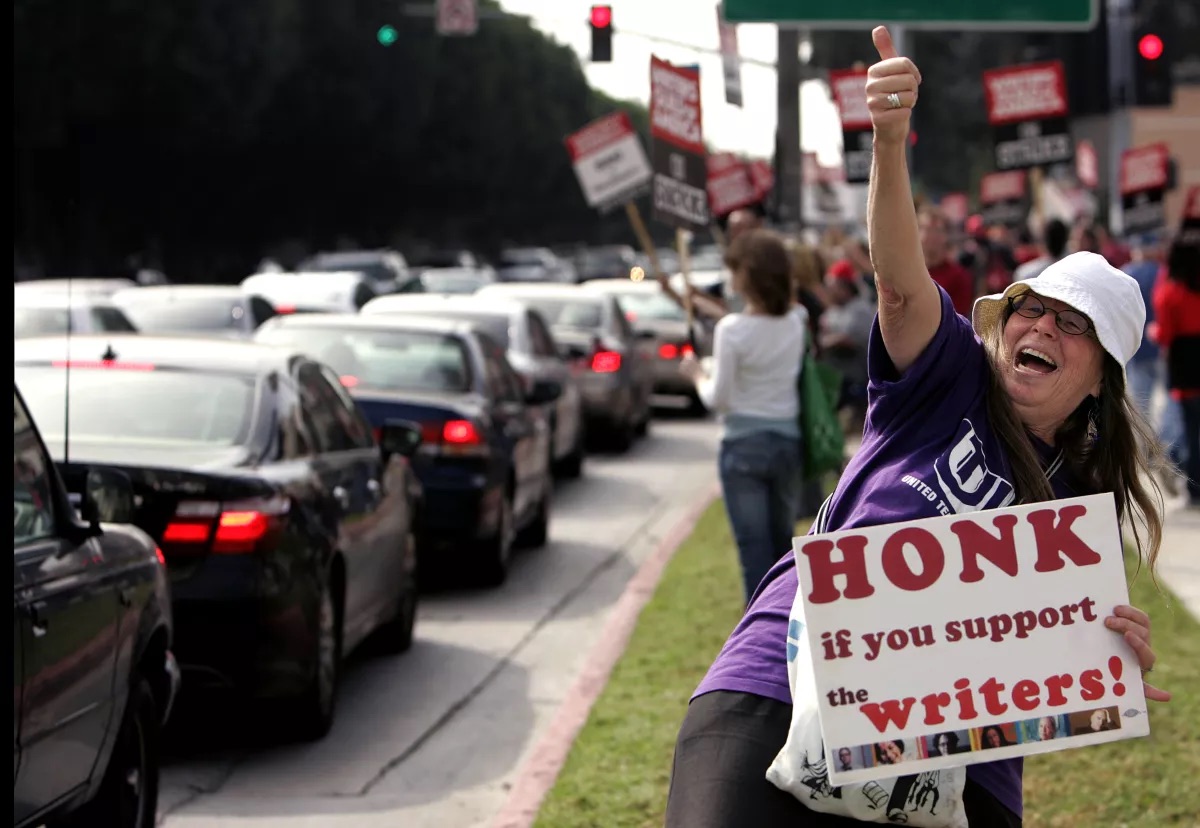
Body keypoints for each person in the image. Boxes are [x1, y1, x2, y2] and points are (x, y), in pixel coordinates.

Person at [663, 26, 1171, 828]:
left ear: (1101, 379)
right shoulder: (953, 374)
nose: (1038, 324)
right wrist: (890, 144)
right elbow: (900, 288)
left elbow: (1043, 656)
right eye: (1028, 307)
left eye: (1070, 324)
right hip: (783, 684)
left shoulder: (1080, 510)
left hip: (958, 763)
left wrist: (1102, 656)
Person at [679, 228, 807, 604]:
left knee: (754, 555)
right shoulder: (797, 320)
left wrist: (697, 374)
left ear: (746, 277)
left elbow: (718, 398)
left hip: (743, 446)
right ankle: (787, 626)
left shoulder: (730, 331)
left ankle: (759, 638)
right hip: (787, 442)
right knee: (783, 550)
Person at [1152, 237, 1200, 508]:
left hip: (1186, 372)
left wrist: (1154, 332)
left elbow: (1165, 335)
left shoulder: (1170, 293)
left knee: (1191, 433)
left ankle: (1195, 488)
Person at [918, 204, 975, 317]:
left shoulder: (959, 276)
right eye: (925, 229)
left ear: (946, 235)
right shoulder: (907, 274)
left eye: (937, 230)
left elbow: (958, 319)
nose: (931, 235)